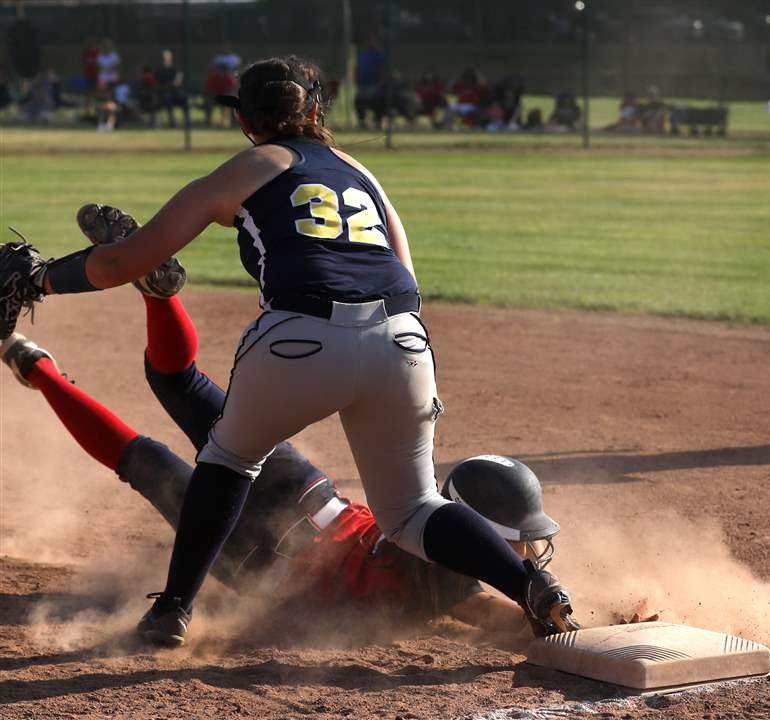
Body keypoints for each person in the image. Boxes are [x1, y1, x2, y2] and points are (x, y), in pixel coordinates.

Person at [0, 55, 579, 646]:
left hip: (302, 339)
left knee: (225, 462)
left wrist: (38, 279)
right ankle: (532, 585)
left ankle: (173, 609)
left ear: (246, 120)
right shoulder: (364, 176)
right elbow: (405, 280)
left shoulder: (249, 166)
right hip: (402, 342)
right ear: (317, 110)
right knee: (413, 508)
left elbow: (123, 259)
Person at [0, 260, 561, 637]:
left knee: (181, 385)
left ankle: (154, 301)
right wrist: (575, 619)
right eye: (518, 546)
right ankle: (39, 368)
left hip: (302, 486)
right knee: (141, 459)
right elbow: (512, 621)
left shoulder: (428, 528)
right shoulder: (454, 584)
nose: (525, 556)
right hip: (259, 557)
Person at [154, 49, 185, 129]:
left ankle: (186, 121)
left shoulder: (176, 67)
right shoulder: (159, 68)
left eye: (168, 55)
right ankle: (171, 121)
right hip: (164, 92)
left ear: (171, 57)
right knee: (167, 98)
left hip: (175, 91)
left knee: (183, 97)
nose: (166, 57)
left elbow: (178, 81)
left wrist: (173, 85)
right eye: (165, 56)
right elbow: (157, 81)